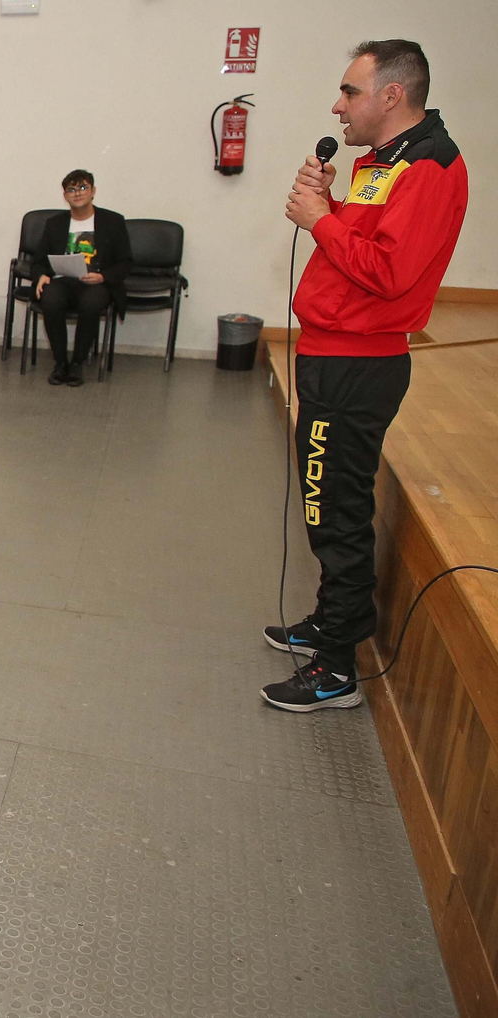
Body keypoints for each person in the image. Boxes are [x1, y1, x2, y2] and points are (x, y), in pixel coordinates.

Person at [262, 39, 468, 713]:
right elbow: (369, 245)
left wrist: (321, 222)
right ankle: (331, 622)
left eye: (349, 92)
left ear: (392, 95)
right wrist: (334, 209)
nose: (337, 104)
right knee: (327, 503)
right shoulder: (385, 162)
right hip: (331, 352)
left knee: (335, 511)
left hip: (358, 363)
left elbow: (390, 273)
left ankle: (338, 669)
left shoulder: (430, 167)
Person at [30, 170, 131, 387]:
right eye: (72, 190)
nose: (78, 194)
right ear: (65, 195)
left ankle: (77, 362)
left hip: (96, 282)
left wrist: (103, 276)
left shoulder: (113, 221)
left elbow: (125, 262)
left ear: (93, 191)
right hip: (62, 280)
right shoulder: (55, 223)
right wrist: (40, 276)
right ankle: (60, 363)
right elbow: (38, 260)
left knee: (91, 303)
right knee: (50, 300)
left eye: (83, 188)